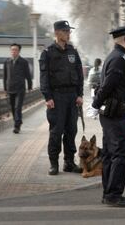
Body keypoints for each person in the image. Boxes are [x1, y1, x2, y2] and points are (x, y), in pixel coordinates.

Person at [86, 24, 125, 207]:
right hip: (114, 115)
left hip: (114, 114)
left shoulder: (119, 57)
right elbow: (107, 86)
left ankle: (108, 192)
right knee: (120, 153)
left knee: (109, 153)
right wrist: (95, 104)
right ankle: (113, 195)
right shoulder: (118, 59)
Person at [39, 20, 84, 175]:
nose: (68, 34)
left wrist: (80, 94)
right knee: (56, 132)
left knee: (72, 130)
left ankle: (69, 162)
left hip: (72, 96)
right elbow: (44, 77)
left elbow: (79, 74)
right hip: (56, 97)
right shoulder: (47, 53)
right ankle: (53, 164)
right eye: (66, 31)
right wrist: (48, 97)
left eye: (69, 31)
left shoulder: (73, 51)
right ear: (57, 33)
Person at [3, 43, 32, 134]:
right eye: (12, 50)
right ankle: (18, 121)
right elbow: (5, 75)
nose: (13, 51)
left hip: (20, 89)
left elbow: (28, 75)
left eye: (15, 50)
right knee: (12, 108)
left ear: (19, 51)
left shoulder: (23, 62)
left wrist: (29, 86)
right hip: (10, 88)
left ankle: (17, 126)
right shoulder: (7, 61)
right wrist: (5, 88)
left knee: (17, 107)